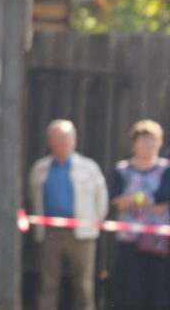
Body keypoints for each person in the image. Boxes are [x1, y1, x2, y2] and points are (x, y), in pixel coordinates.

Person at [28, 119, 108, 310]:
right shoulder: (40, 168)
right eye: (58, 138)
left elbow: (101, 201)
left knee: (83, 284)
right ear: (50, 142)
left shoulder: (89, 167)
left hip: (81, 235)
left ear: (74, 140)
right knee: (48, 281)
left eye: (66, 137)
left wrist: (91, 225)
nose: (63, 142)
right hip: (50, 233)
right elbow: (33, 197)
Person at [109, 119, 170, 310]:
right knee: (130, 290)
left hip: (158, 242)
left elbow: (162, 203)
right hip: (130, 241)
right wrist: (148, 199)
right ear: (133, 144)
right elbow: (119, 203)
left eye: (152, 140)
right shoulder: (122, 169)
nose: (148, 144)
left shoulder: (166, 169)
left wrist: (134, 198)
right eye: (144, 140)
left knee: (157, 291)